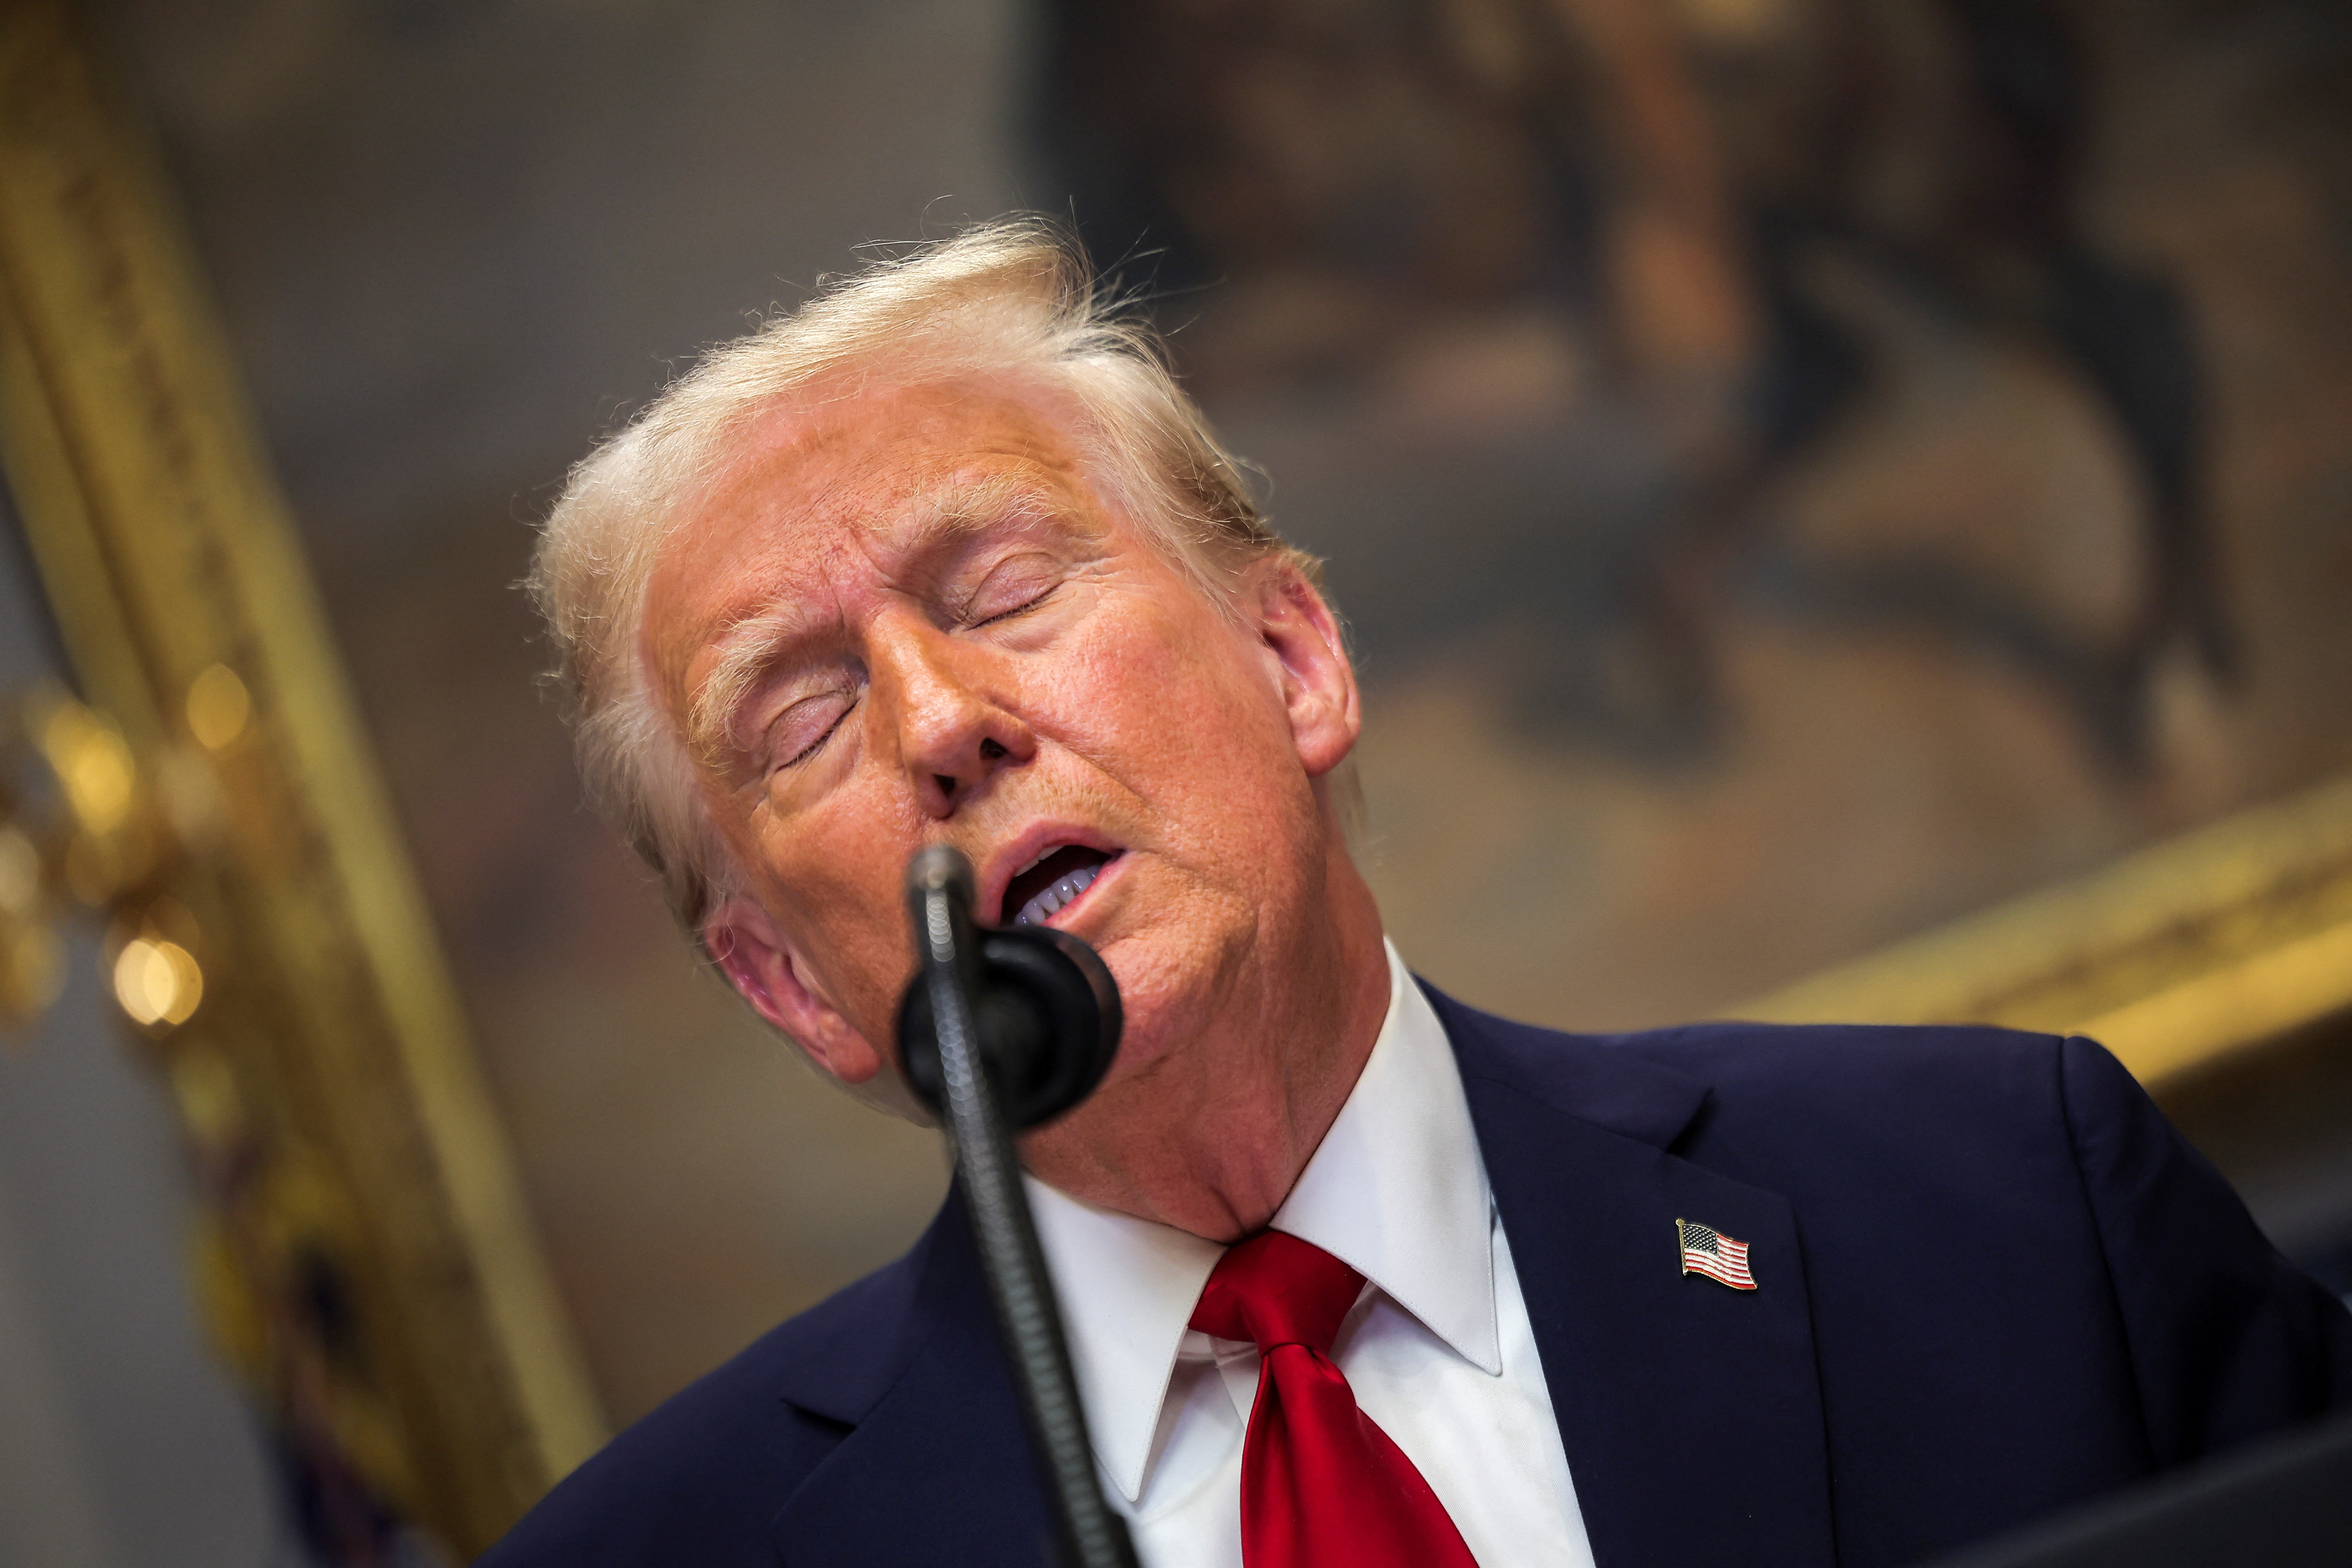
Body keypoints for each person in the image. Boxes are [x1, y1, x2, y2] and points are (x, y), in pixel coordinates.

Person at [483, 220, 2351, 1568]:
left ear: (1295, 661)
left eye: (999, 591)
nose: (942, 723)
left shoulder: (2012, 1214)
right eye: (804, 718)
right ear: (789, 986)